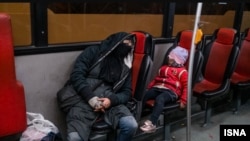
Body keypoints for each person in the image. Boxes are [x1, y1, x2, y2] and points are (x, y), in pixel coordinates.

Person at [66, 32, 138, 141]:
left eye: (130, 45)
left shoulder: (125, 65)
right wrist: (92, 99)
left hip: (110, 100)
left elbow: (126, 92)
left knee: (131, 125)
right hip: (84, 99)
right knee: (74, 138)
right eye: (125, 43)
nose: (127, 47)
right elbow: (77, 76)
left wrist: (111, 100)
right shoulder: (93, 52)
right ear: (115, 43)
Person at [140, 46, 188, 133]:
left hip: (171, 91)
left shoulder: (182, 72)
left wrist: (183, 100)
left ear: (177, 60)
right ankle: (137, 115)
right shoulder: (163, 68)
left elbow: (186, 86)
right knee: (145, 95)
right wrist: (149, 87)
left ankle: (152, 123)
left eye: (172, 58)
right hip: (158, 87)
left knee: (160, 99)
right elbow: (156, 79)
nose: (169, 58)